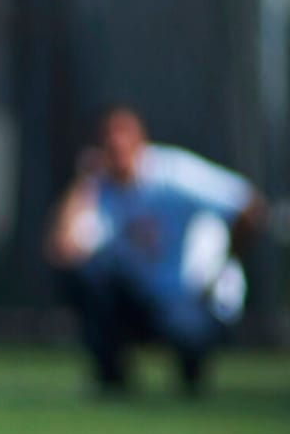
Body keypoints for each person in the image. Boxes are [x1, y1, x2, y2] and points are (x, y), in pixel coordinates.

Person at [46, 105, 265, 396]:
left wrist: (224, 262)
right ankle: (112, 378)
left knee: (187, 331)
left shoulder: (174, 174)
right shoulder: (100, 191)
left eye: (123, 136)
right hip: (141, 300)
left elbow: (249, 205)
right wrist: (82, 184)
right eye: (108, 139)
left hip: (188, 300)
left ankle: (192, 368)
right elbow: (64, 249)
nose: (116, 145)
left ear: (140, 140)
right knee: (86, 277)